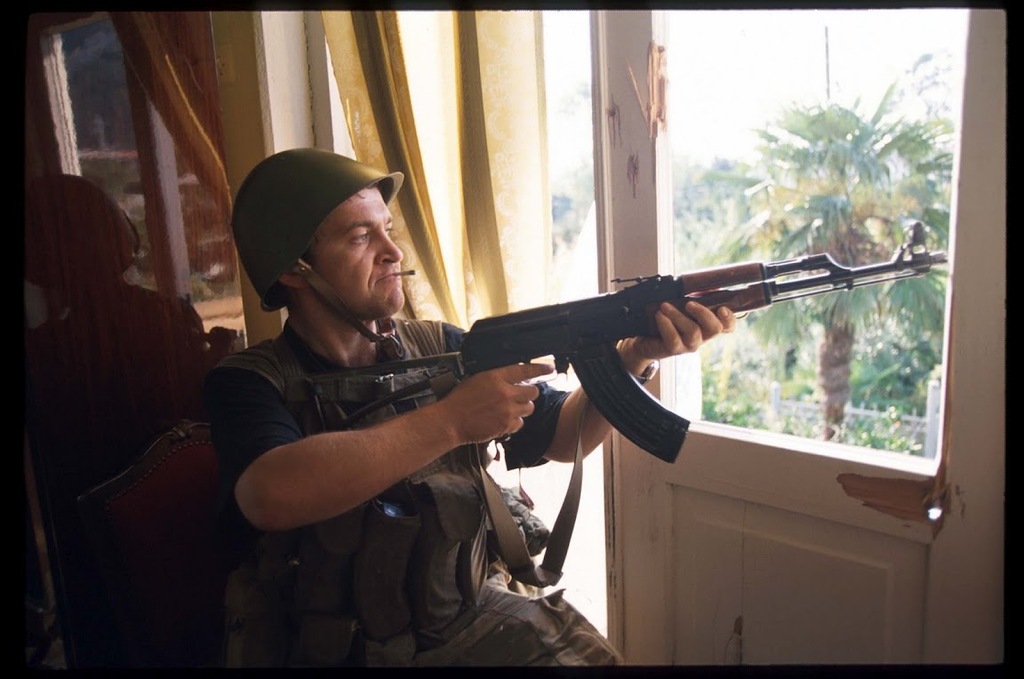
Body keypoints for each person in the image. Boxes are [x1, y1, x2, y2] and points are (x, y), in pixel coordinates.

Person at [204, 148, 735, 667]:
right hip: (322, 651)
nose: (394, 252)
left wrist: (633, 358)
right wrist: (452, 421)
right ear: (295, 269)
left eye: (387, 229)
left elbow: (559, 434)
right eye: (361, 237)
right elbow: (268, 495)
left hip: (466, 623)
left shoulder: (443, 346)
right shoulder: (251, 381)